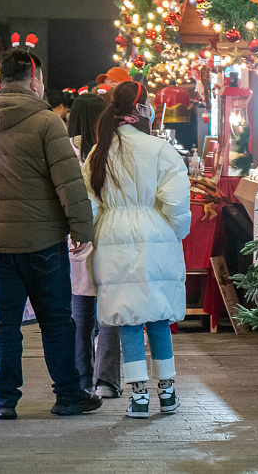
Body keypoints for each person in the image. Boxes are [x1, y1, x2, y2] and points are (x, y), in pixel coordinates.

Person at [0, 50, 100, 420]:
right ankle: (68, 395)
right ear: (34, 79)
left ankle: (4, 400)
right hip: (41, 239)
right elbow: (69, 184)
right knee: (56, 319)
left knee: (4, 323)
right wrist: (81, 229)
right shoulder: (46, 121)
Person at [81, 82, 191, 419]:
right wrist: (175, 233)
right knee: (158, 317)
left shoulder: (98, 152)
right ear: (141, 108)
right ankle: (168, 393)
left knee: (127, 320)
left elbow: (91, 206)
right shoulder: (160, 150)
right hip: (154, 236)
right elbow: (176, 203)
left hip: (112, 239)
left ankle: (139, 398)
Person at [66, 94, 123, 398]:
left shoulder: (65, 149)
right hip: (109, 237)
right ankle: (107, 380)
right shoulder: (112, 150)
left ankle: (81, 379)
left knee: (81, 316)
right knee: (110, 312)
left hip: (76, 239)